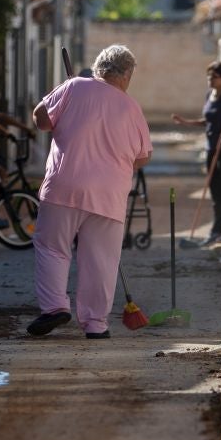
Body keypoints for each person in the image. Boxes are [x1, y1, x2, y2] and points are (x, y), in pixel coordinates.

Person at [26, 44, 152, 340]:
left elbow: (40, 120)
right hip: (109, 194)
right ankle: (96, 324)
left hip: (64, 186)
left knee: (52, 247)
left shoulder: (73, 86)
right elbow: (143, 157)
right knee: (101, 259)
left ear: (99, 68)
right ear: (125, 74)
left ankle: (55, 307)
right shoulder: (131, 106)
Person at [172, 60, 221, 246]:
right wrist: (186, 122)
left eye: (215, 76)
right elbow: (208, 120)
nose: (210, 79)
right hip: (212, 148)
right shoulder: (209, 95)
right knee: (215, 190)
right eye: (209, 75)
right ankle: (217, 230)